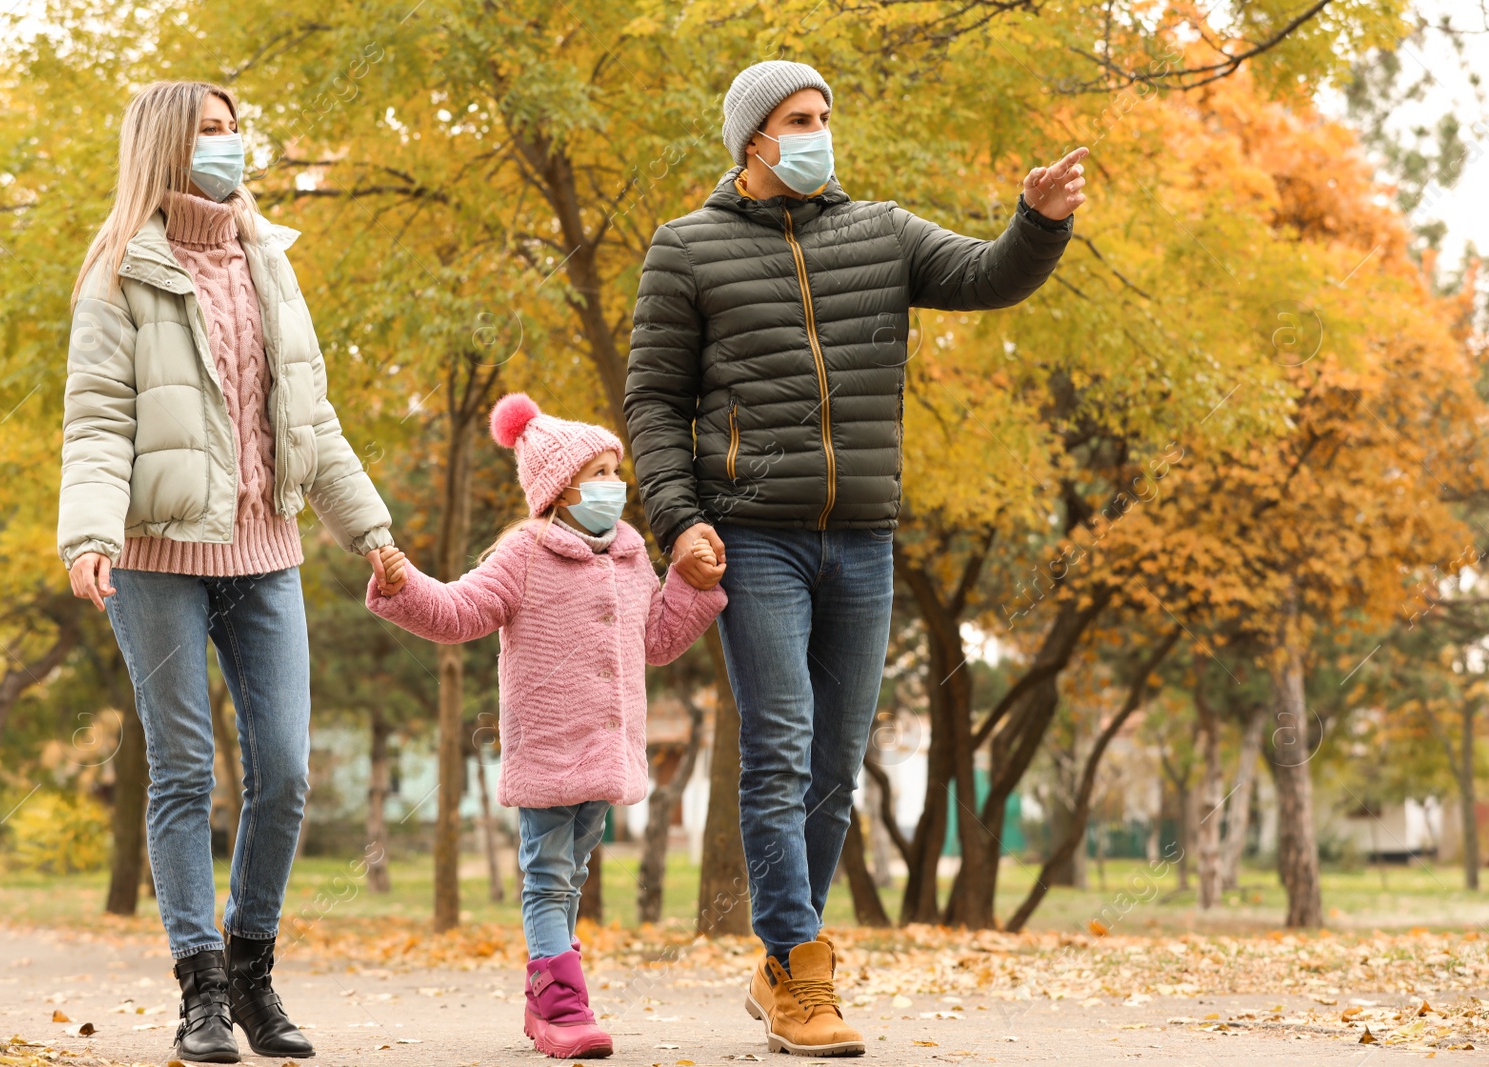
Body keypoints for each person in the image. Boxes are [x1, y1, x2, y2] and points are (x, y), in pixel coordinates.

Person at [623, 60, 1087, 1057]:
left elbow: (982, 274)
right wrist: (679, 519)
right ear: (752, 140)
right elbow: (653, 405)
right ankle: (797, 959)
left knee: (834, 761)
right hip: (753, 535)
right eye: (798, 118)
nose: (818, 131)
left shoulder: (879, 232)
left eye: (824, 115)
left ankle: (783, 964)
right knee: (780, 742)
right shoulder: (686, 249)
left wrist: (1037, 221)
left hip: (863, 538)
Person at [58, 81, 404, 1063]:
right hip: (158, 557)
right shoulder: (119, 272)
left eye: (234, 127)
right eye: (210, 131)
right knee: (182, 771)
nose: (230, 144)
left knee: (285, 770)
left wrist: (370, 529)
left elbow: (311, 417)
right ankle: (200, 988)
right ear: (168, 146)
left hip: (267, 553)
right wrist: (88, 533)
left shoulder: (268, 258)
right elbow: (94, 422)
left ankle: (253, 972)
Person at [365, 392, 727, 1059]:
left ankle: (545, 995)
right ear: (560, 490)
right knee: (547, 874)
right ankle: (563, 1004)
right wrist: (402, 582)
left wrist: (691, 583)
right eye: (599, 474)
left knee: (572, 873)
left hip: (607, 754)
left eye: (618, 473)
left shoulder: (630, 554)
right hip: (547, 750)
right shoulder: (523, 554)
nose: (615, 487)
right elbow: (457, 612)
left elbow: (659, 640)